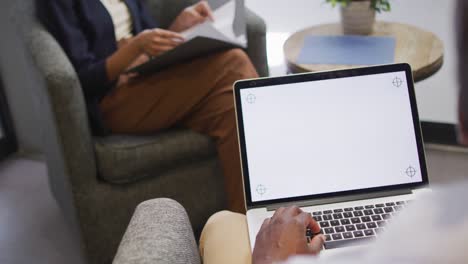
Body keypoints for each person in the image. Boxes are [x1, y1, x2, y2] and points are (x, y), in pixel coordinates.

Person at [198, 1, 468, 263]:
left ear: (462, 120)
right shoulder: (427, 222)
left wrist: (271, 259)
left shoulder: (421, 233)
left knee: (223, 223)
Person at [36, 0, 259, 213]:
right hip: (112, 97)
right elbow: (83, 80)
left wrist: (177, 28)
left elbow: (147, 38)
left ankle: (251, 228)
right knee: (234, 63)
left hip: (146, 74)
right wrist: (134, 48)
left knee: (231, 107)